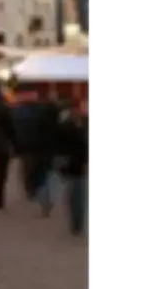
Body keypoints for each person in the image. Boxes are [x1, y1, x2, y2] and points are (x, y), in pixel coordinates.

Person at [56, 99, 90, 235]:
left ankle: (77, 223)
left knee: (75, 193)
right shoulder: (73, 126)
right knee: (76, 193)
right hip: (74, 164)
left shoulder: (69, 125)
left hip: (73, 163)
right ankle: (77, 223)